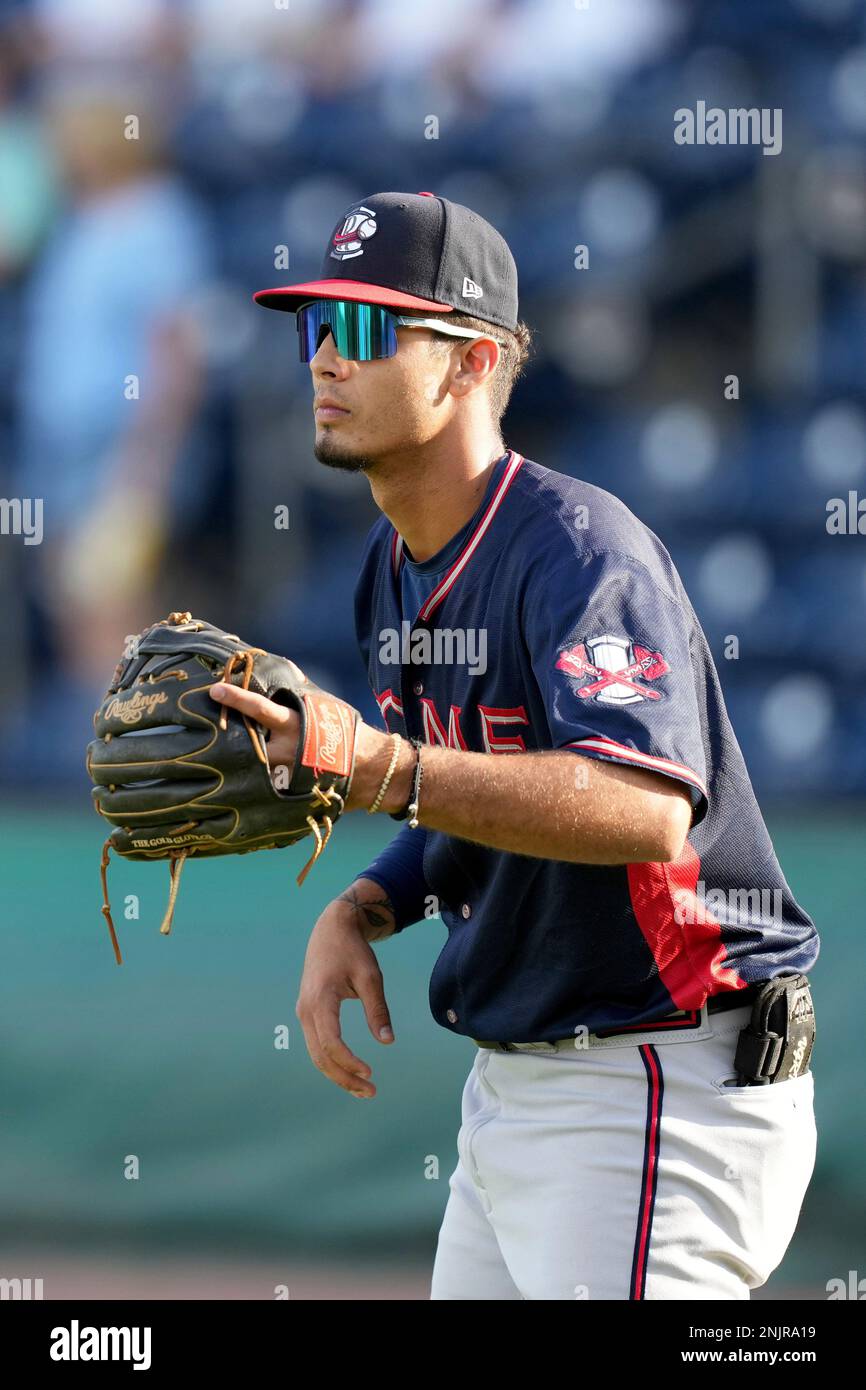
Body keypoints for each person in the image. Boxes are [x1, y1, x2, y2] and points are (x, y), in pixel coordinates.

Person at [209, 191, 818, 1301]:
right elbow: (468, 791)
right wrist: (367, 904)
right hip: (519, 1089)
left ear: (470, 361)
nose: (323, 362)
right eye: (313, 328)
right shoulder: (391, 563)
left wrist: (381, 768)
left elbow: (640, 806)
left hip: (654, 1079)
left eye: (362, 330)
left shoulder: (578, 555)